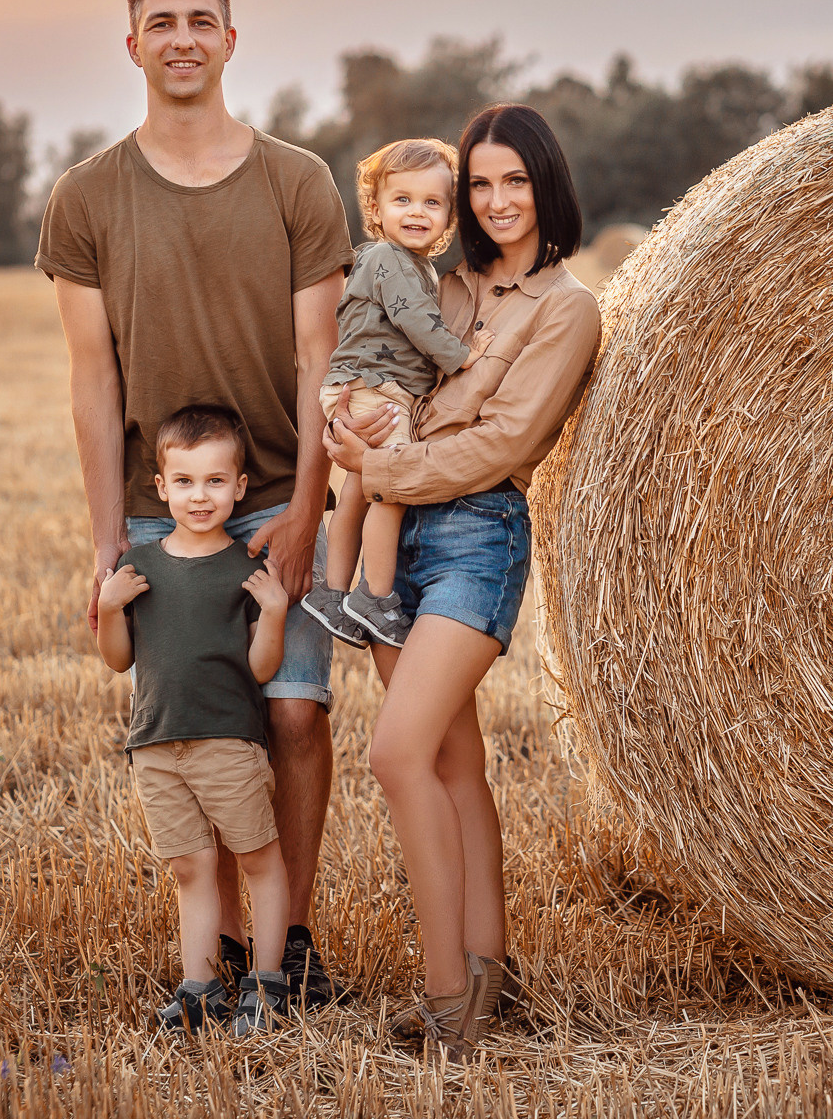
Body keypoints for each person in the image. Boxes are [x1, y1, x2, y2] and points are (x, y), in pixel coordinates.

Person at [37, 0, 351, 1008]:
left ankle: (288, 947)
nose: (183, 38)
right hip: (157, 507)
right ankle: (215, 958)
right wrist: (106, 542)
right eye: (163, 22)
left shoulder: (297, 181)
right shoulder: (86, 196)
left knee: (295, 717)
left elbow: (320, 360)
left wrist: (304, 514)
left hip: (278, 496)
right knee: (201, 724)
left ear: (230, 40)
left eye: (201, 20)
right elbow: (93, 377)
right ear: (134, 46)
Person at [323, 103, 601, 1058]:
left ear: (545, 184)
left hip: (477, 536)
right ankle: (490, 974)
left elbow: (507, 443)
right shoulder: (437, 283)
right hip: (394, 530)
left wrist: (382, 468)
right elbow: (380, 373)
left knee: (396, 754)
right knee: (451, 763)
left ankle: (447, 1001)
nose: (496, 200)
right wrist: (348, 429)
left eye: (514, 180)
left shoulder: (567, 308)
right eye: (479, 184)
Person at [97, 406, 292, 1036]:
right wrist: (109, 609)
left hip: (227, 742)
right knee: (190, 868)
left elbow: (262, 669)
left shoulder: (246, 570)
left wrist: (275, 614)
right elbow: (118, 659)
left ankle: (267, 981)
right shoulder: (140, 567)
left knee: (258, 857)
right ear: (161, 487)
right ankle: (200, 989)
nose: (199, 496)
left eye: (215, 481)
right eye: (184, 481)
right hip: (155, 742)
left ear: (239, 486)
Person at [302, 138, 493, 650]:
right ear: (376, 208)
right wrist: (464, 356)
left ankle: (332, 593)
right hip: (376, 388)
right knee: (393, 488)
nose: (416, 212)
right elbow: (417, 322)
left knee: (358, 491)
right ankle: (375, 596)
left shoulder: (410, 263)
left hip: (362, 385)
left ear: (449, 216)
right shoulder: (389, 259)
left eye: (432, 202)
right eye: (402, 199)